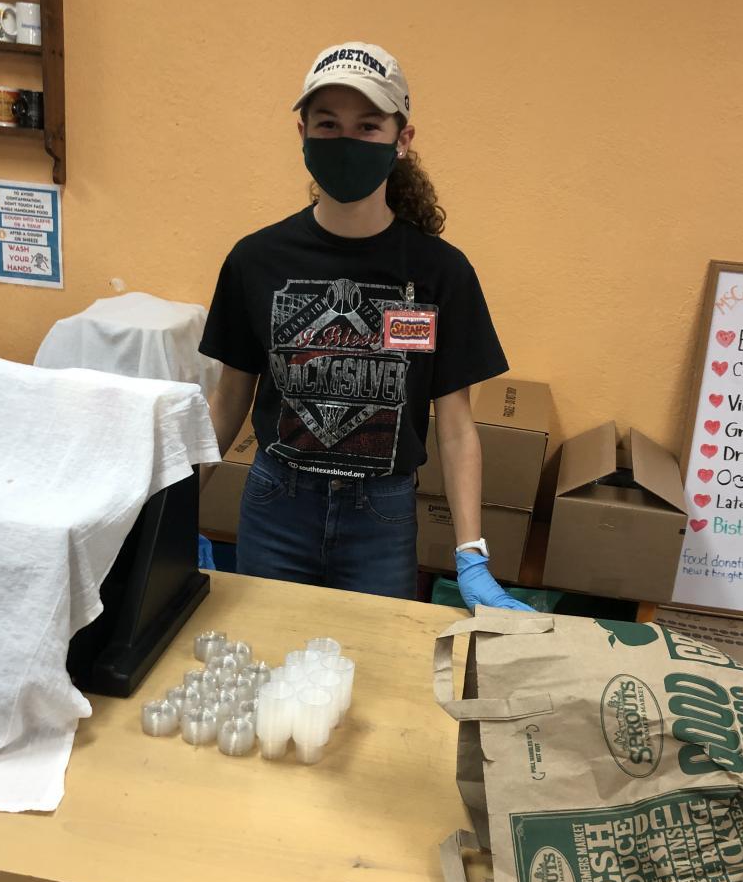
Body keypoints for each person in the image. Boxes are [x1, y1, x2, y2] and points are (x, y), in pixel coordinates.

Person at [199, 41, 530, 612]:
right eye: (327, 124)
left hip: (381, 518)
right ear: (302, 133)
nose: (345, 140)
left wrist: (471, 554)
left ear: (402, 139)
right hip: (277, 507)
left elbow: (455, 428)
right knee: (267, 657)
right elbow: (229, 401)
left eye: (368, 125)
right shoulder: (256, 260)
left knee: (370, 663)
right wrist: (173, 509)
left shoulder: (440, 272)